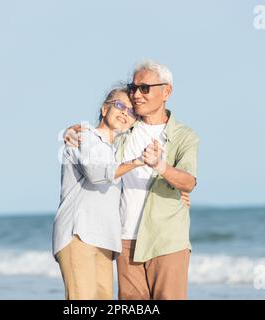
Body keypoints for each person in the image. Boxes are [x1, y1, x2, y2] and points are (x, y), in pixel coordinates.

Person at [64, 60, 199, 300]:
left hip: (166, 239)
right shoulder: (125, 130)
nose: (136, 95)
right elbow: (99, 137)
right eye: (133, 87)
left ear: (166, 91)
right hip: (124, 240)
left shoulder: (184, 136)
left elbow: (189, 182)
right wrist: (73, 130)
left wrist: (161, 167)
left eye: (144, 88)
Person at [52, 86, 144, 300]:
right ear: (104, 109)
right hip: (79, 233)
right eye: (120, 106)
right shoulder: (85, 136)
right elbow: (97, 173)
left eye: (131, 112)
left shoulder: (117, 149)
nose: (125, 113)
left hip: (105, 240)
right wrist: (137, 161)